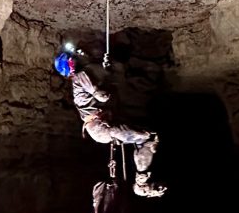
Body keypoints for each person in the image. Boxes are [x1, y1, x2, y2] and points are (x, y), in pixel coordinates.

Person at [54, 49, 167, 198]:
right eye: (76, 56)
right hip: (101, 128)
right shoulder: (80, 77)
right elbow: (103, 97)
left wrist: (106, 68)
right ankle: (141, 184)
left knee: (144, 139)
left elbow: (103, 79)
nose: (81, 55)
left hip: (102, 125)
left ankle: (141, 184)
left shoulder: (84, 75)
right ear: (71, 63)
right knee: (145, 139)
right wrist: (106, 80)